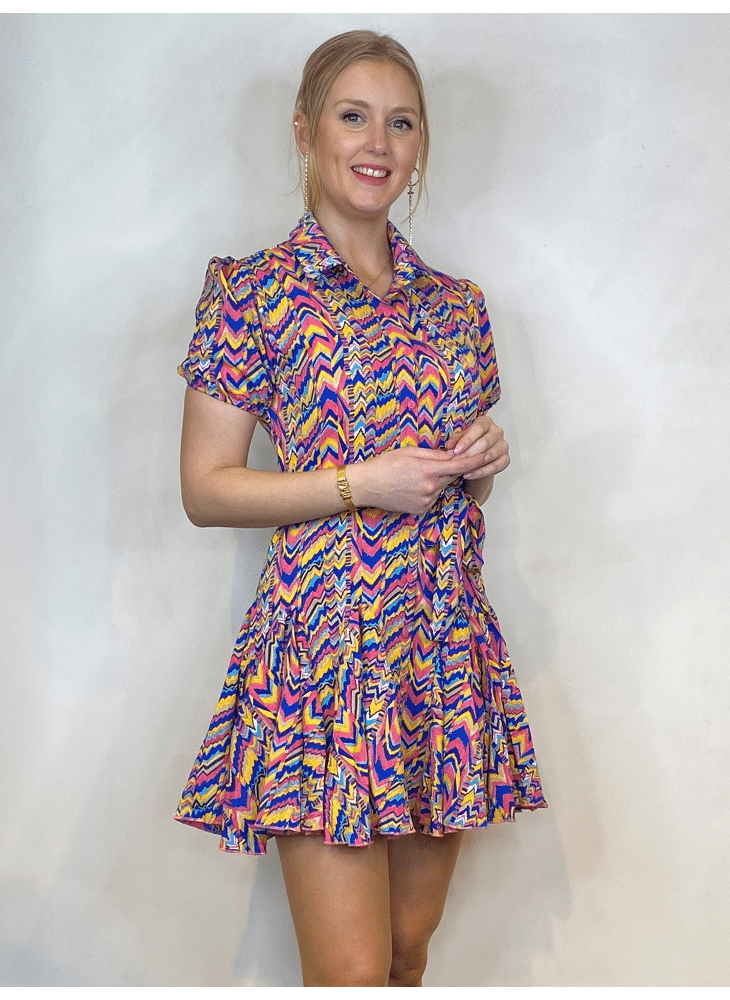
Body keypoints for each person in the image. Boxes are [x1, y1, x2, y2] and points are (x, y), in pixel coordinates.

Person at [174, 29, 546, 987]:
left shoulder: (457, 307)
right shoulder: (251, 293)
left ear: (420, 146)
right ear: (306, 132)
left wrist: (481, 462)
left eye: (401, 122)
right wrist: (359, 483)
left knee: (406, 954)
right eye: (354, 116)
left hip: (441, 650)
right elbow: (205, 487)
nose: (378, 143)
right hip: (324, 658)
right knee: (349, 975)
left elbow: (452, 481)